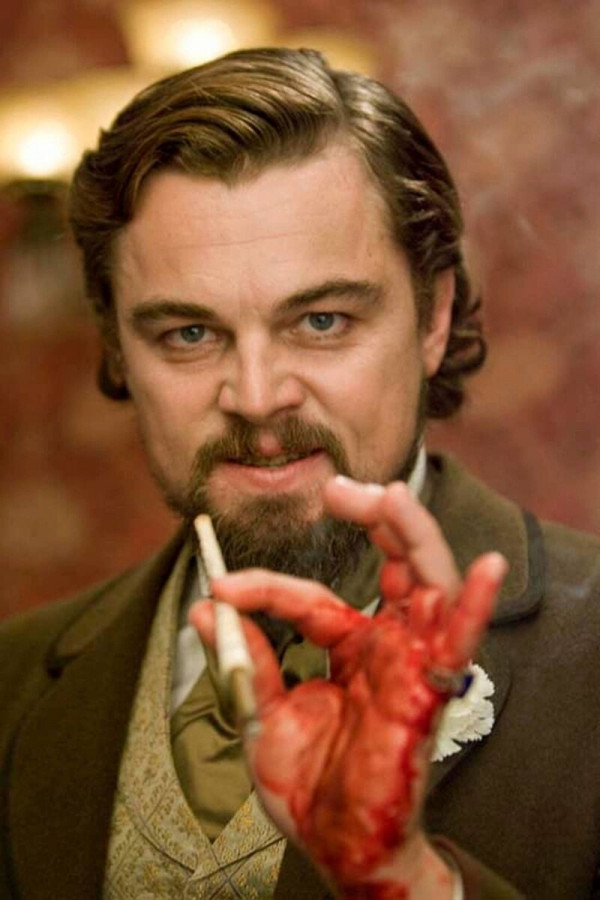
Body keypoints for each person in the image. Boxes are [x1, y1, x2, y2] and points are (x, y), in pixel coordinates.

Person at [1, 46, 599, 900]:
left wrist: (407, 879)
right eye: (189, 335)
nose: (256, 398)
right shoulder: (11, 680)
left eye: (321, 320)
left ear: (432, 319)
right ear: (119, 348)